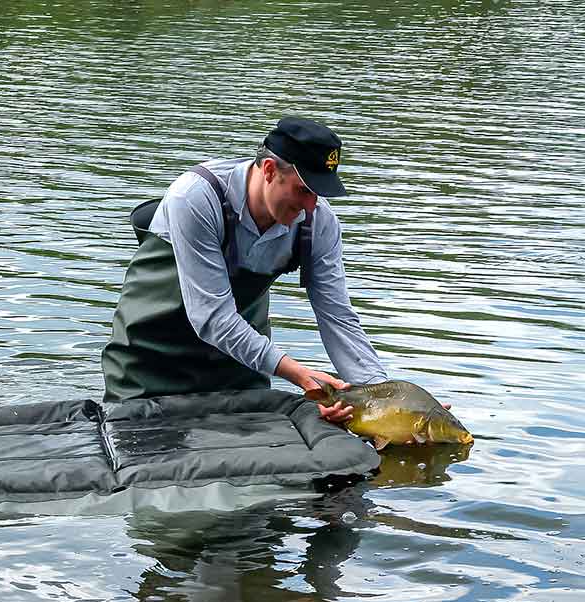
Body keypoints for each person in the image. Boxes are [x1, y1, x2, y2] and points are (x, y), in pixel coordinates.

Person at [101, 117, 387, 424]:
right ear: (269, 171)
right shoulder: (196, 197)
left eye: (319, 193)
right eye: (304, 190)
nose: (311, 205)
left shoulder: (319, 223)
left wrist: (385, 397)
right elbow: (212, 317)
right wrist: (298, 374)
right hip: (150, 363)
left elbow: (337, 317)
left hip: (238, 369)